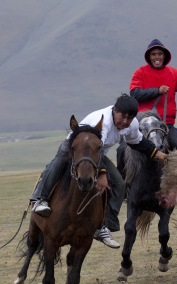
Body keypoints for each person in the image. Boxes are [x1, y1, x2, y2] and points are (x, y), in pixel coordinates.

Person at [31, 94, 168, 248]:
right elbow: (98, 146)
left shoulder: (132, 125)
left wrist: (157, 154)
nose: (125, 121)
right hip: (76, 147)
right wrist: (102, 173)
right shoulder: (103, 121)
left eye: (129, 118)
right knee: (57, 163)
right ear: (115, 110)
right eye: (122, 116)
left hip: (97, 154)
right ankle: (39, 199)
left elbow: (138, 142)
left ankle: (103, 226)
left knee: (120, 184)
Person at [129, 39, 177, 150]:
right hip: (143, 124)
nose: (157, 57)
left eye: (160, 54)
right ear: (149, 57)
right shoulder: (140, 72)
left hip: (166, 125)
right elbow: (135, 93)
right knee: (122, 151)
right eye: (153, 54)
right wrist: (157, 91)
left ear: (164, 56)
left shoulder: (175, 73)